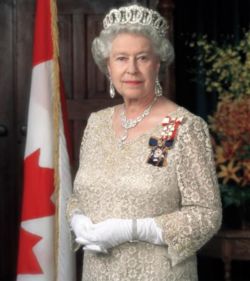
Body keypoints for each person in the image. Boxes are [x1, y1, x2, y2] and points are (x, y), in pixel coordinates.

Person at [66, 4, 222, 281]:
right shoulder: (97, 123)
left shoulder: (177, 127)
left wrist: (135, 229)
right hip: (97, 273)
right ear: (108, 66)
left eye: (143, 58)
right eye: (122, 58)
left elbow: (206, 214)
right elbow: (79, 195)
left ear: (158, 63)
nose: (132, 69)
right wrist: (76, 217)